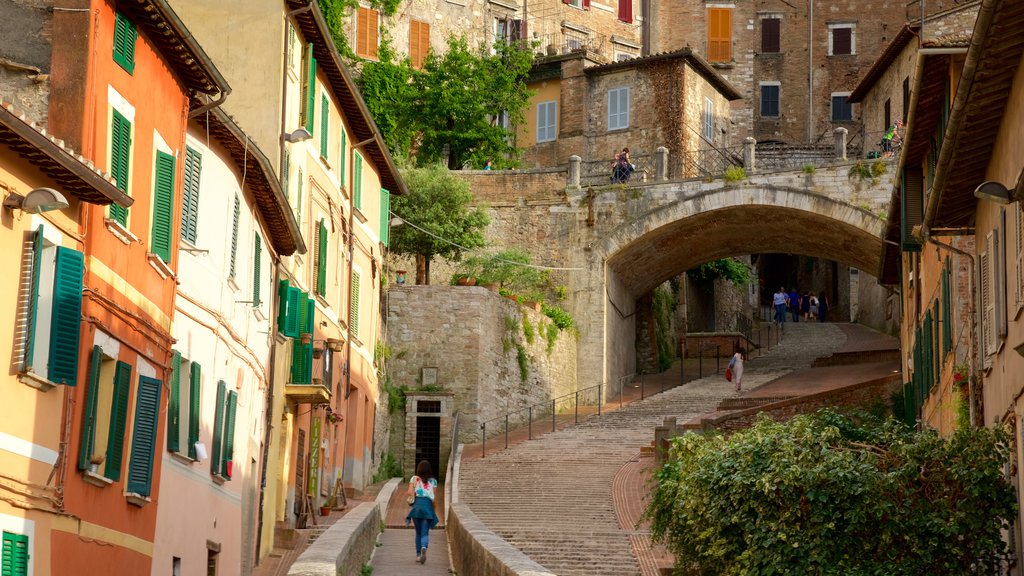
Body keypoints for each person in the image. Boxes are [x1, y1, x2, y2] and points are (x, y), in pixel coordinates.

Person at [405, 460, 439, 564]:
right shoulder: (433, 481)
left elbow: (409, 492)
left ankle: (418, 555)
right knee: (425, 533)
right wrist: (434, 511)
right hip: (427, 508)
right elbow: (433, 498)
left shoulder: (414, 478)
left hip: (417, 508)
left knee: (418, 532)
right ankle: (424, 546)